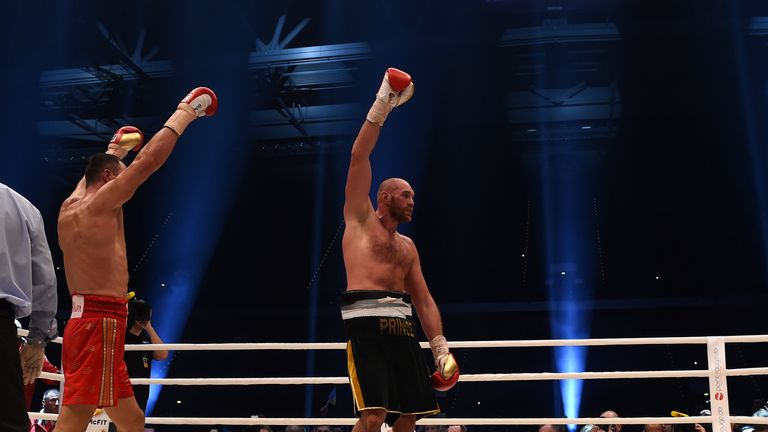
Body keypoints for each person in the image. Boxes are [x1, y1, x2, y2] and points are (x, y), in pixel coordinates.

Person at [55, 86, 218, 432]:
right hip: (101, 322)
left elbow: (93, 175)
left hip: (90, 320)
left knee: (131, 418)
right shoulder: (101, 205)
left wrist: (114, 150)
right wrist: (185, 112)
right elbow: (147, 164)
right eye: (119, 171)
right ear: (110, 178)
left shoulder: (69, 207)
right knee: (75, 417)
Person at [340, 67, 459, 432]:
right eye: (407, 195)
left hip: (403, 330)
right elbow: (359, 157)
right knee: (373, 414)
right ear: (384, 195)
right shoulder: (359, 220)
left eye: (414, 197)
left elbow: (423, 300)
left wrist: (440, 349)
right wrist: (384, 102)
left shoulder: (407, 247)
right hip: (366, 329)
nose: (412, 202)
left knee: (410, 415)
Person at [0, 182, 58, 432]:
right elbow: (45, 279)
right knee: (9, 420)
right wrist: (37, 340)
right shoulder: (22, 206)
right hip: (1, 324)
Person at [124, 298, 168, 412]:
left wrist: (149, 327)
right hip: (123, 387)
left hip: (141, 391)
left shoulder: (147, 339)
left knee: (136, 424)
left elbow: (162, 355)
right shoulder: (122, 336)